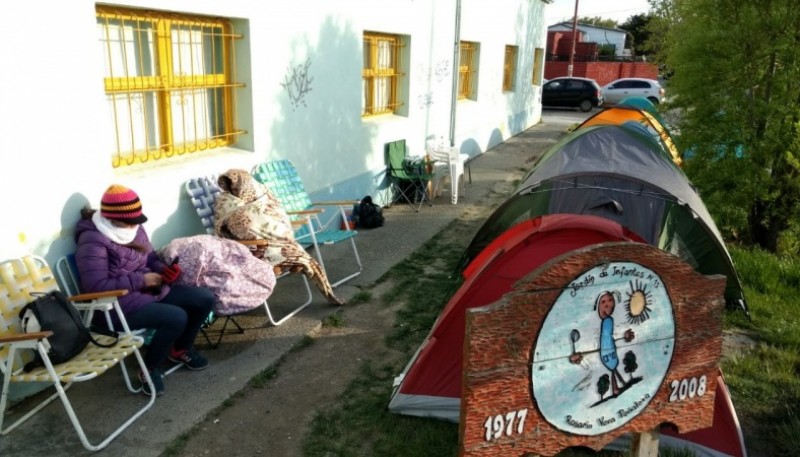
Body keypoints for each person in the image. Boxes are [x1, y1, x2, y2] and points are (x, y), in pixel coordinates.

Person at [74, 184, 215, 396]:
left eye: (136, 221)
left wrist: (164, 272)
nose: (134, 226)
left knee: (205, 298)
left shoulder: (134, 228)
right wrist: (140, 280)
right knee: (175, 317)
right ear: (113, 219)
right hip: (114, 307)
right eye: (129, 222)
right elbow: (95, 287)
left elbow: (149, 257)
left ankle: (180, 349)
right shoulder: (92, 241)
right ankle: (150, 368)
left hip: (149, 291)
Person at [213, 168, 345, 305]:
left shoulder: (262, 198)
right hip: (251, 251)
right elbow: (237, 226)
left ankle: (328, 293)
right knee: (299, 259)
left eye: (237, 185)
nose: (235, 188)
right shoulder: (226, 202)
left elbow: (275, 215)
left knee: (304, 259)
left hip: (275, 245)